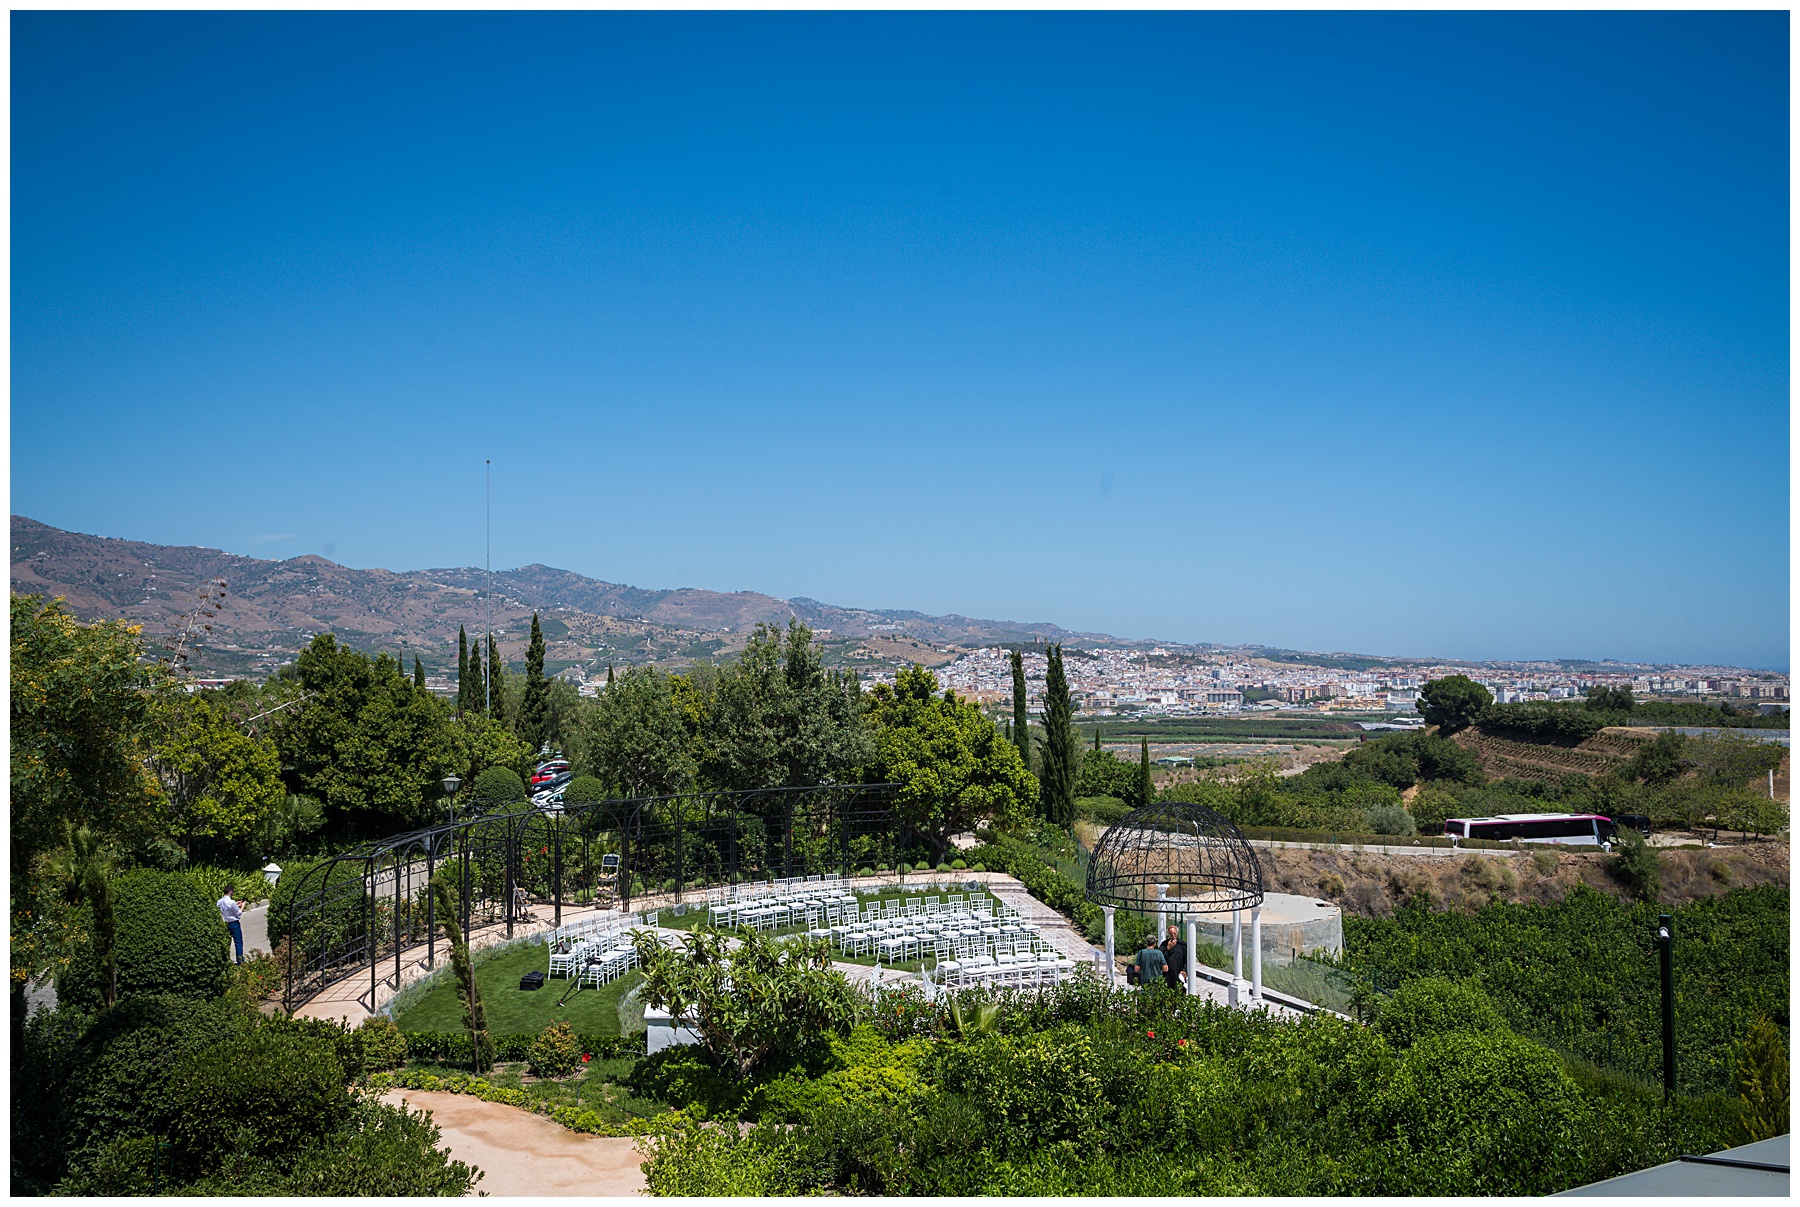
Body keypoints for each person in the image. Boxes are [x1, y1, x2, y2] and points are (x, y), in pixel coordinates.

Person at [218, 887, 244, 965]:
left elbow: (226, 908)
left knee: (226, 942)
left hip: (225, 922)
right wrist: (243, 906)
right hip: (234, 923)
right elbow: (239, 912)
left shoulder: (220, 901)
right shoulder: (231, 902)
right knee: (238, 942)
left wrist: (236, 904)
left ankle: (225, 960)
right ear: (230, 892)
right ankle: (240, 961)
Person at [1161, 924, 1188, 992]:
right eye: (1171, 934)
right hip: (1168, 974)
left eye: (1174, 933)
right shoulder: (1164, 944)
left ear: (1177, 933)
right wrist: (1168, 949)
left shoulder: (1183, 945)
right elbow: (1160, 957)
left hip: (1179, 973)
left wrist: (1184, 970)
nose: (1173, 935)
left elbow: (1187, 959)